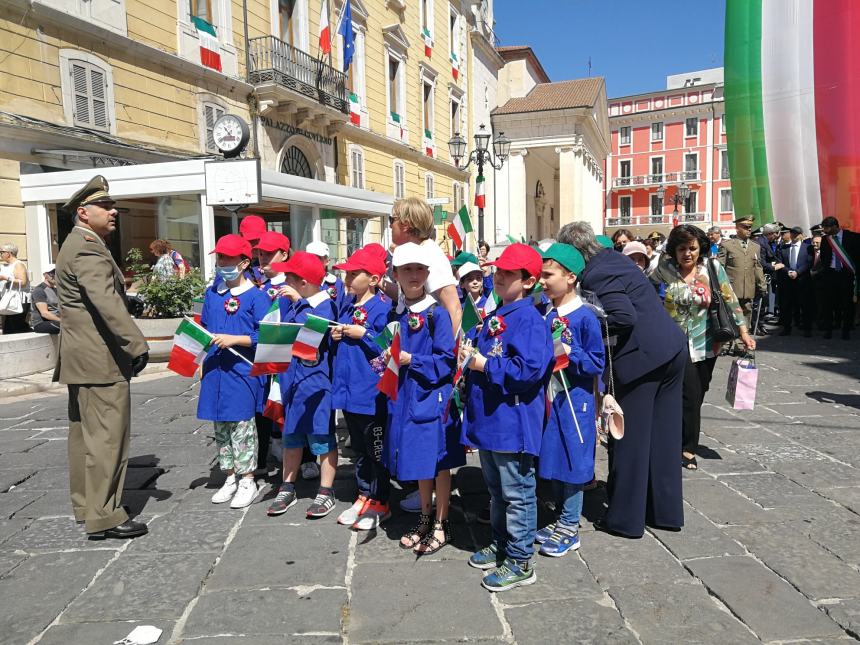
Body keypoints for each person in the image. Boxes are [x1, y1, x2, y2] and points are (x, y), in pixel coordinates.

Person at [558, 222, 687, 539]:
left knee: (630, 441)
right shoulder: (612, 259)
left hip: (643, 360)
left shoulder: (596, 273)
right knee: (664, 440)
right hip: (670, 349)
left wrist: (583, 321)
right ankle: (664, 512)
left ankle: (625, 519)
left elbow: (622, 316)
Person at [55, 175, 150, 540]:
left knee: (84, 437)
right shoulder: (88, 248)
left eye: (113, 207)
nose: (114, 213)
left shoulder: (76, 243)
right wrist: (135, 344)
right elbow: (105, 301)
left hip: (81, 358)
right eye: (106, 207)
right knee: (107, 439)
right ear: (83, 213)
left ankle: (86, 506)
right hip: (100, 359)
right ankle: (105, 515)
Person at [462, 243, 554, 592]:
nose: (497, 276)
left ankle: (519, 558)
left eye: (507, 273)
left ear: (528, 281)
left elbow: (529, 369)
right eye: (497, 271)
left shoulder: (529, 319)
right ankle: (502, 543)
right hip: (492, 419)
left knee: (516, 491)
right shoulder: (500, 312)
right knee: (497, 491)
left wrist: (485, 364)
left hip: (512, 421)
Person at [651, 226, 754, 470]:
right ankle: (687, 449)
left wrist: (744, 332)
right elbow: (648, 296)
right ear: (674, 250)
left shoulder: (712, 268)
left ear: (700, 249)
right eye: (682, 248)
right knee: (689, 394)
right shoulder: (663, 270)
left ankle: (681, 433)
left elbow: (729, 298)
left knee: (698, 393)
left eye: (692, 248)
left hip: (708, 342)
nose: (687, 253)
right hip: (675, 342)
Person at [384, 242, 459, 555]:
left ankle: (441, 521)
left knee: (438, 463)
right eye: (407, 270)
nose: (414, 275)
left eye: (419, 269)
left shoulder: (436, 314)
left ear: (428, 273)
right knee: (419, 461)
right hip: (405, 399)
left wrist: (410, 359)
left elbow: (446, 361)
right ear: (396, 275)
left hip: (431, 398)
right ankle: (425, 516)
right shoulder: (395, 313)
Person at [536, 243, 605, 557]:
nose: (543, 281)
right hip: (552, 397)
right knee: (556, 457)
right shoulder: (547, 311)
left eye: (548, 275)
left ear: (571, 277)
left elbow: (596, 362)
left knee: (574, 461)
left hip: (575, 399)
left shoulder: (585, 317)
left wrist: (569, 353)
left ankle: (570, 524)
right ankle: (561, 516)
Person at [199, 234, 270, 509]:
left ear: (243, 263)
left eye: (227, 258)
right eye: (219, 258)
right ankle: (229, 475)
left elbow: (266, 333)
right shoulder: (212, 293)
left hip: (242, 369)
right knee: (220, 425)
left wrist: (235, 339)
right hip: (215, 367)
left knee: (242, 426)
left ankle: (247, 478)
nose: (222, 263)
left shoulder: (256, 296)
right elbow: (204, 326)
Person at [266, 251, 339, 518]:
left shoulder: (324, 305)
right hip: (293, 382)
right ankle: (287, 485)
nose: (284, 281)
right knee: (292, 436)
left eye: (290, 278)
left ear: (304, 282)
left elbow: (311, 337)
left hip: (316, 385)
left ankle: (326, 489)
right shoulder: (293, 303)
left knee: (322, 437)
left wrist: (300, 303)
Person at [330, 248, 392, 530]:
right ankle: (364, 493)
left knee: (375, 448)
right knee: (358, 448)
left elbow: (387, 346)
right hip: (348, 391)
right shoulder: (346, 305)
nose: (348, 277)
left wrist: (364, 334)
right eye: (347, 272)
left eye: (355, 273)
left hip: (370, 392)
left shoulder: (383, 307)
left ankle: (380, 499)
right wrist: (335, 335)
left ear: (374, 279)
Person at [387, 197, 462, 333]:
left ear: (405, 224)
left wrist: (452, 351)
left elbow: (454, 308)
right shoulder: (413, 251)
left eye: (392, 220)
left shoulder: (429, 252)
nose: (390, 226)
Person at [252, 231, 292, 470]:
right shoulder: (258, 288)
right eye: (260, 254)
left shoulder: (295, 284)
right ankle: (263, 456)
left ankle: (305, 457)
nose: (263, 258)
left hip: (290, 359)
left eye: (269, 254)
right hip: (264, 358)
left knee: (292, 406)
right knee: (263, 407)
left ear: (284, 254)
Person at [718, 216, 767, 348]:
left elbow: (757, 267)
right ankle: (727, 341)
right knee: (729, 314)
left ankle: (741, 342)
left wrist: (762, 285)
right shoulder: (727, 245)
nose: (749, 229)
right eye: (745, 227)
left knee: (746, 313)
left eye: (750, 227)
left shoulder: (755, 247)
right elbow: (720, 267)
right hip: (731, 288)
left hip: (748, 287)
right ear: (737, 228)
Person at [818, 216, 859, 340]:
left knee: (847, 303)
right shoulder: (826, 240)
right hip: (831, 274)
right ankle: (829, 329)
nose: (824, 230)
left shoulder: (851, 237)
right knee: (829, 303)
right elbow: (824, 257)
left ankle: (846, 329)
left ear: (835, 226)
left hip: (846, 274)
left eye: (827, 227)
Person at [776, 226, 813, 337]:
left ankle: (807, 329)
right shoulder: (784, 248)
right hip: (788, 281)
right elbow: (780, 263)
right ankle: (787, 328)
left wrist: (797, 272)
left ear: (801, 235)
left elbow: (809, 262)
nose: (794, 236)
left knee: (805, 305)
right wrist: (789, 272)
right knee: (787, 306)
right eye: (793, 233)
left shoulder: (807, 247)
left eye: (797, 234)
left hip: (802, 280)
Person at [307, 241, 347, 316]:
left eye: (318, 258)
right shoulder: (300, 282)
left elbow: (342, 311)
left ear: (327, 261)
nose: (313, 261)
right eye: (310, 257)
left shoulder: (337, 284)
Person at [0, 242, 31, 334]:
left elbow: (23, 282)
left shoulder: (18, 265)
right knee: (8, 328)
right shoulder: (6, 266)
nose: (0, 254)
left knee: (15, 328)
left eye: (1, 252)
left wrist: (5, 278)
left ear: (9, 253)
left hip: (19, 300)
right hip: (9, 300)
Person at [30, 264, 61, 334]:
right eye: (52, 273)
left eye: (58, 273)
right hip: (41, 323)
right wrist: (62, 321)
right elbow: (45, 313)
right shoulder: (39, 290)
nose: (55, 276)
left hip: (55, 321)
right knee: (68, 327)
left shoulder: (56, 290)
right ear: (45, 275)